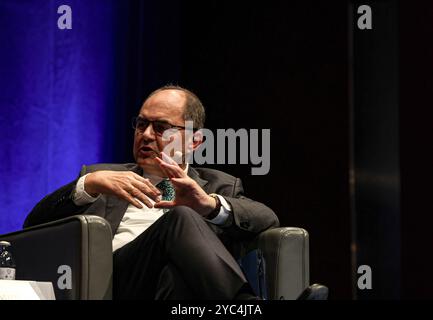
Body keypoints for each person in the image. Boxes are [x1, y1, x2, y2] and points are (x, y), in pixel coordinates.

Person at [23, 85, 281, 299]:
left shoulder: (218, 185)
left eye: (160, 128)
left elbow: (267, 218)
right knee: (179, 217)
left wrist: (207, 205)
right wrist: (88, 184)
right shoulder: (103, 177)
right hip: (112, 283)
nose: (145, 135)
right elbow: (34, 224)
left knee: (175, 277)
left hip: (171, 288)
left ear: (194, 141)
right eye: (141, 124)